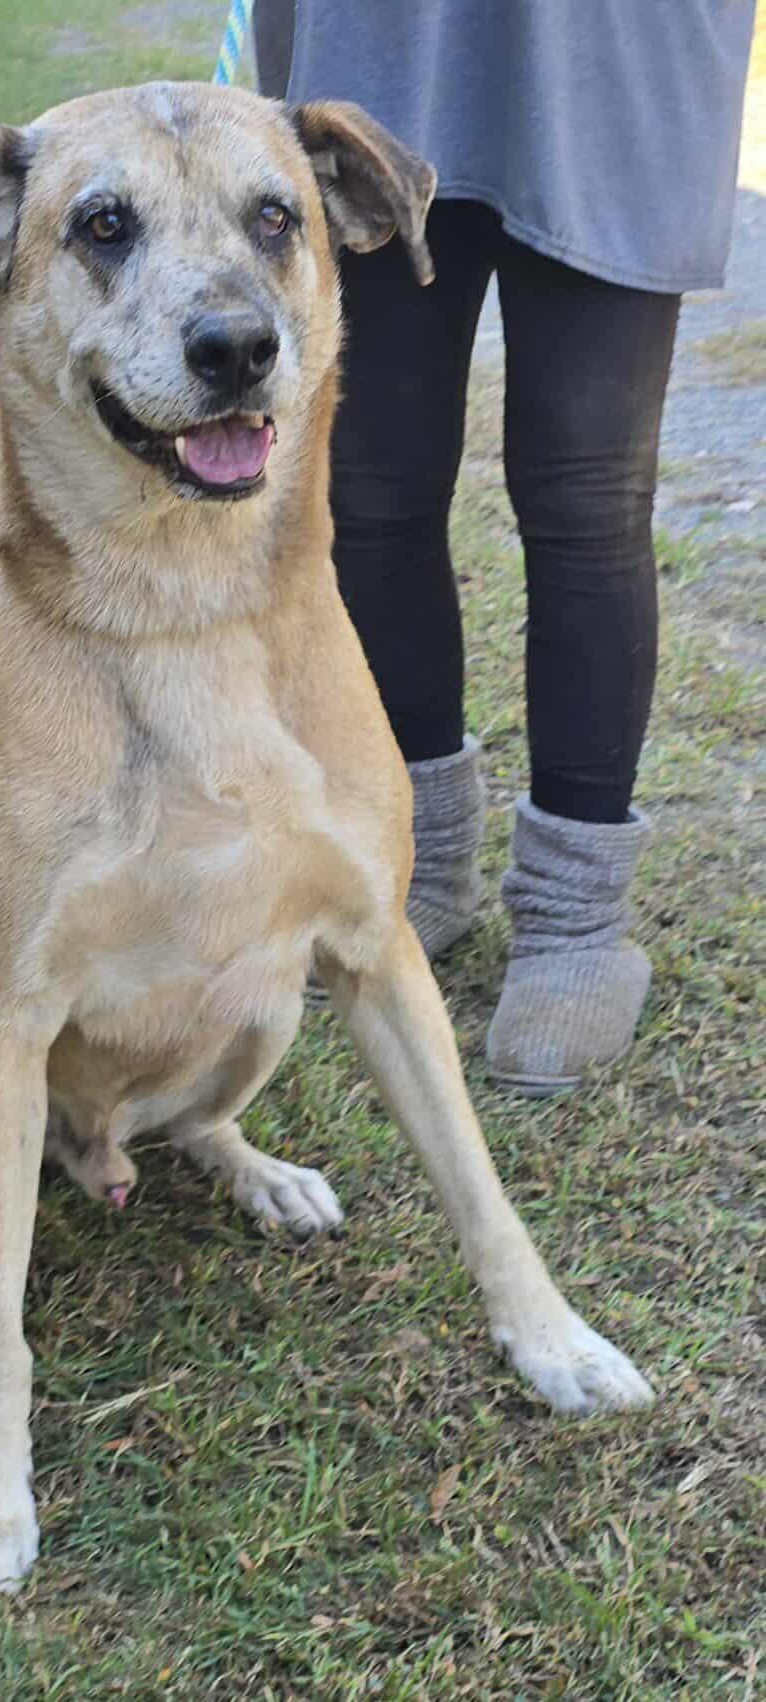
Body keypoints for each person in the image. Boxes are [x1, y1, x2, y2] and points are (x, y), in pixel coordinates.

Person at [256, 1, 756, 1094]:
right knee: (374, 489)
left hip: (618, 53)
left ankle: (578, 922)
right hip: (391, 44)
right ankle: (415, 862)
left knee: (585, 496)